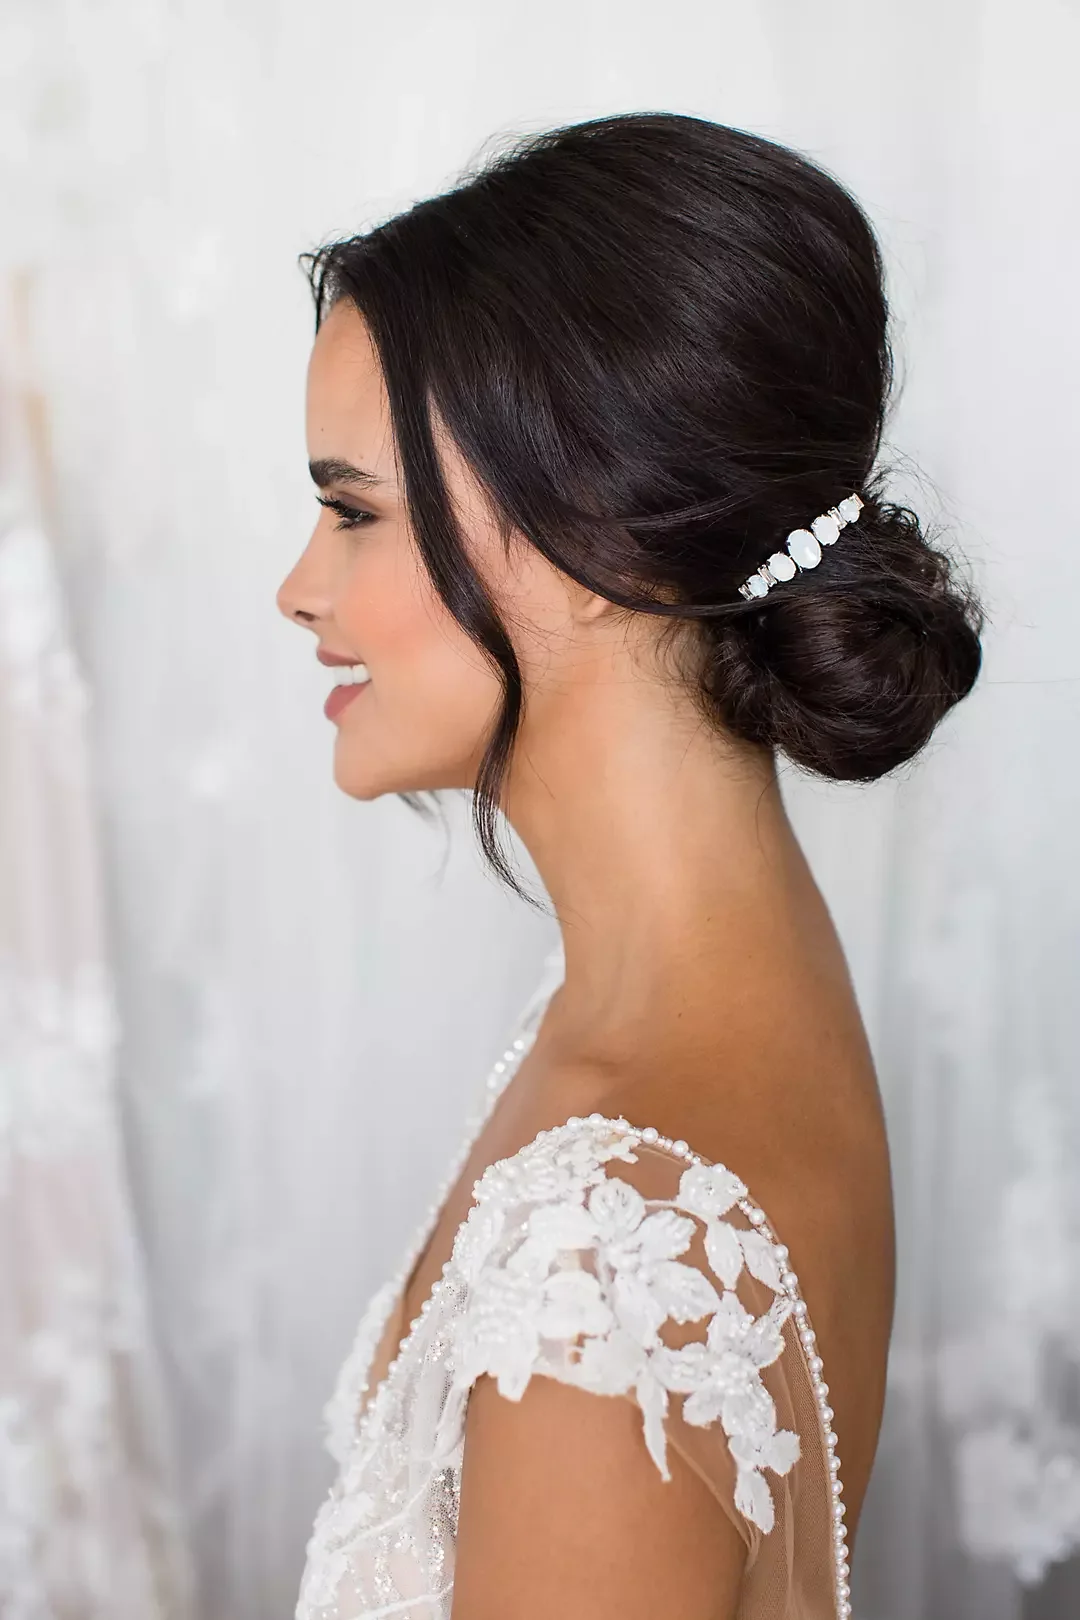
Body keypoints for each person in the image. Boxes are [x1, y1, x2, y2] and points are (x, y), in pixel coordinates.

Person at [276, 111, 983, 1620]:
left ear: (587, 538)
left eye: (351, 512)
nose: (298, 585)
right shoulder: (701, 987)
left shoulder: (610, 1266)